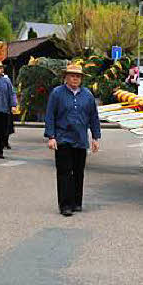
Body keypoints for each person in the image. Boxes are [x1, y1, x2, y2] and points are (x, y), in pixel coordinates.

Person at [44, 62, 101, 216]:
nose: (75, 79)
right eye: (72, 76)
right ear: (66, 77)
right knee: (64, 173)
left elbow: (93, 117)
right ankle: (65, 205)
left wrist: (95, 137)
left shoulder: (87, 95)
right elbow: (50, 116)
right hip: (63, 139)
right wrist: (51, 136)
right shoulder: (57, 93)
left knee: (78, 172)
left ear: (81, 79)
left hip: (80, 139)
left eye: (78, 76)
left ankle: (77, 202)